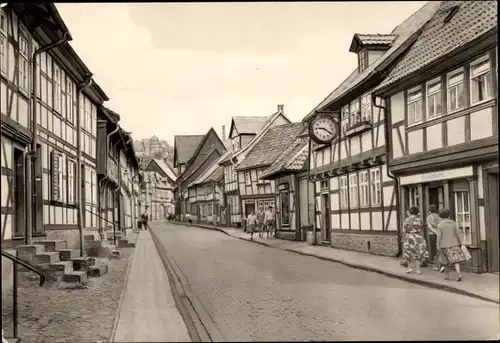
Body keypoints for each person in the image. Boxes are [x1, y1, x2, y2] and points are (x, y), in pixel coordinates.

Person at [437, 208, 465, 282]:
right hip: (454, 244)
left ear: (440, 216)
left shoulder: (440, 225)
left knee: (446, 261)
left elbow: (439, 237)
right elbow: (457, 234)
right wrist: (460, 242)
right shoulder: (453, 223)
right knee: (456, 261)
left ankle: (448, 276)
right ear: (449, 215)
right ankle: (459, 274)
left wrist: (438, 245)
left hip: (444, 246)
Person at [402, 206, 429, 274]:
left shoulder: (407, 220)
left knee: (408, 252)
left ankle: (409, 268)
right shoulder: (420, 220)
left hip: (409, 237)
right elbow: (422, 227)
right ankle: (417, 269)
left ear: (410, 212)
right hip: (418, 237)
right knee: (418, 253)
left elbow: (404, 230)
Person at [426, 204, 445, 272]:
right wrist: (438, 232)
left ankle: (436, 265)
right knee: (440, 248)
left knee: (434, 250)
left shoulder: (428, 217)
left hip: (432, 235)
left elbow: (429, 226)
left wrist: (435, 232)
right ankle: (441, 264)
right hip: (440, 234)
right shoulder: (439, 216)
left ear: (430, 211)